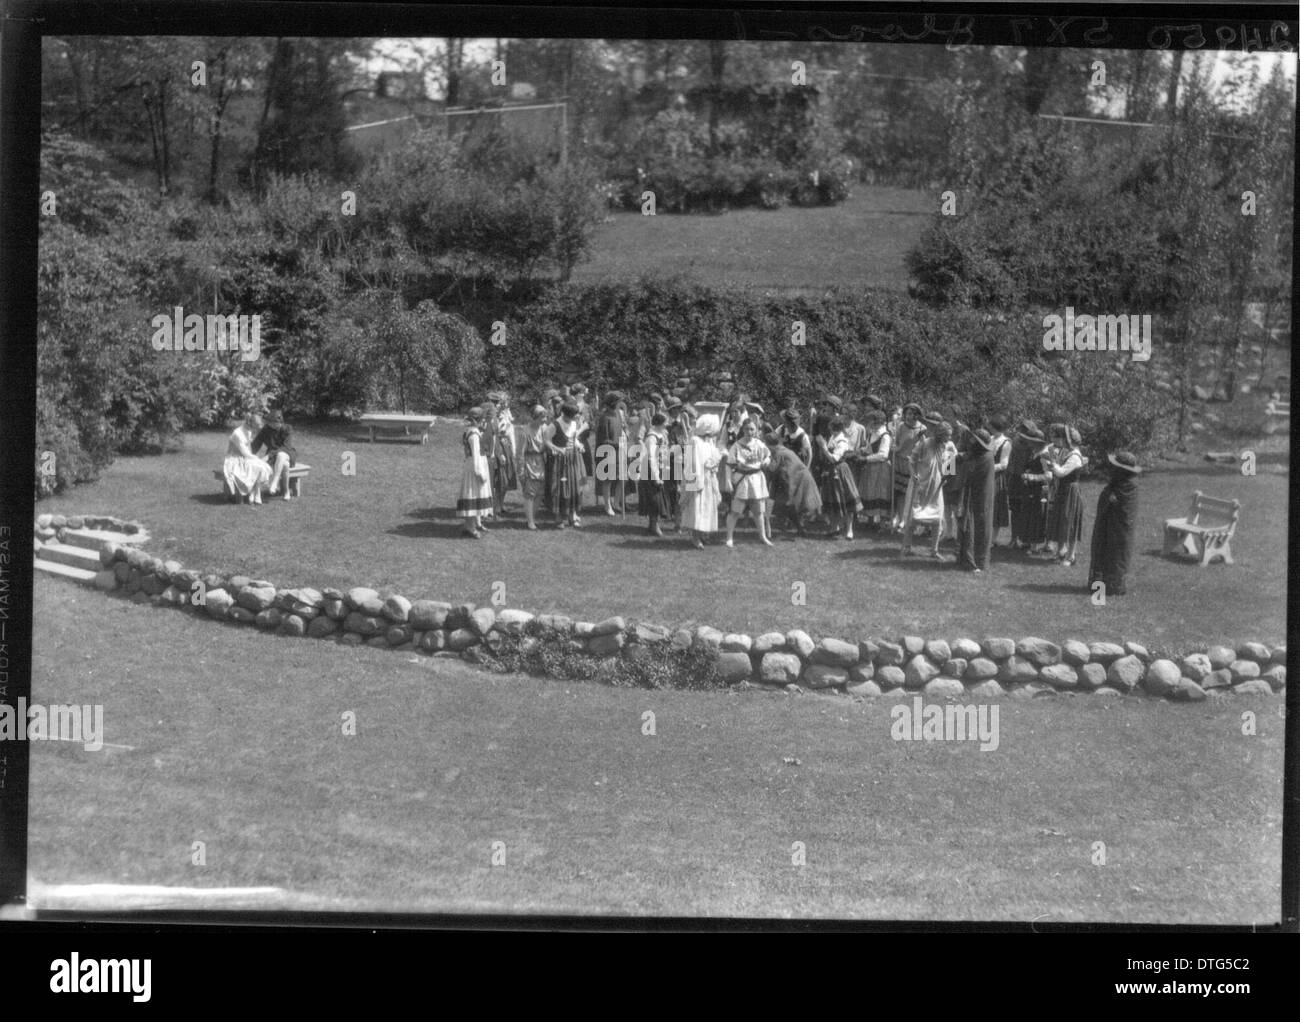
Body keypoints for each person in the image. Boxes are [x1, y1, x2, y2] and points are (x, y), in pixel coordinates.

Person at [1031, 423, 1086, 565]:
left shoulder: (1074, 456)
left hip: (1071, 490)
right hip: (1064, 489)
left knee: (1070, 522)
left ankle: (1070, 556)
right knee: (1062, 520)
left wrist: (1052, 462)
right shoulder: (1069, 453)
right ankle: (1060, 552)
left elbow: (1061, 473)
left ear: (1069, 440)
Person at [1088, 451, 1141, 596]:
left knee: (1117, 552)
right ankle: (1101, 583)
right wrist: (1108, 496)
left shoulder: (1130, 484)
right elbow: (1109, 495)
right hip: (1109, 523)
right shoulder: (1119, 479)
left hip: (1120, 526)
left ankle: (1113, 585)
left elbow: (1124, 504)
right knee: (1104, 549)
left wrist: (1111, 498)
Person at [902, 414, 948, 558]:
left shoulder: (949, 447)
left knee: (937, 517)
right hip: (920, 484)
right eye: (945, 437)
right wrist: (912, 474)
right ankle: (907, 547)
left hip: (936, 486)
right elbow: (911, 460)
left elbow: (950, 468)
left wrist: (946, 477)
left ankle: (934, 550)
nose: (947, 439)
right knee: (913, 516)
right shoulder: (924, 443)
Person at [763, 430, 822, 537]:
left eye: (765, 444)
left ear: (769, 444)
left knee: (791, 505)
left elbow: (772, 469)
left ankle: (800, 528)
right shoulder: (782, 449)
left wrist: (763, 462)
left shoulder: (778, 452)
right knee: (789, 505)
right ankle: (799, 528)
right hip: (798, 478)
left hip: (798, 480)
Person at [724, 418, 773, 547]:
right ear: (742, 430)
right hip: (742, 479)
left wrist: (767, 460)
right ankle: (729, 538)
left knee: (758, 511)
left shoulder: (759, 444)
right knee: (735, 510)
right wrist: (728, 481)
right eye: (746, 429)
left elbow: (768, 455)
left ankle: (762, 537)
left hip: (756, 478)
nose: (749, 432)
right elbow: (729, 465)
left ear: (756, 430)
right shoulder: (737, 445)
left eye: (752, 429)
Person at [956, 428, 997, 572]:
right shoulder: (979, 455)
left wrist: (958, 459)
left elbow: (968, 472)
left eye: (974, 440)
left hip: (977, 497)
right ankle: (966, 559)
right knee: (973, 525)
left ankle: (973, 561)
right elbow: (950, 466)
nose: (971, 442)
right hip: (976, 496)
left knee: (974, 526)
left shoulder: (985, 457)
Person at [681, 413, 724, 549]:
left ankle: (703, 533)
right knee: (697, 507)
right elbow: (692, 461)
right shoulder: (694, 440)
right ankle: (695, 536)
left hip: (709, 478)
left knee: (707, 506)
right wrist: (696, 480)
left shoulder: (709, 441)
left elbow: (713, 457)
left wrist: (715, 462)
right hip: (699, 478)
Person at [817, 415, 863, 540]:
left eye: (832, 429)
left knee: (847, 500)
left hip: (840, 471)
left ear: (836, 429)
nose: (830, 431)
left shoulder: (842, 441)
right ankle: (834, 528)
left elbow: (834, 458)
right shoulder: (833, 437)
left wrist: (823, 447)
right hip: (831, 472)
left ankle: (849, 530)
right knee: (833, 500)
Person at [1008, 421, 1048, 550]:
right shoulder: (1015, 442)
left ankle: (1030, 540)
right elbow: (1012, 462)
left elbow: (1045, 471)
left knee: (1032, 512)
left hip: (1032, 484)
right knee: (1017, 509)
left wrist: (1029, 475)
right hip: (1017, 479)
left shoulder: (1037, 450)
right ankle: (1017, 538)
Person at [547, 401, 587, 529]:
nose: (572, 418)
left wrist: (579, 446)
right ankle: (558, 517)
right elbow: (546, 441)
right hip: (559, 461)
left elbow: (573, 439)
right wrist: (558, 449)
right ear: (564, 413)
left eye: (573, 416)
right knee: (560, 488)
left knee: (574, 486)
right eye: (570, 416)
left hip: (572, 459)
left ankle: (572, 515)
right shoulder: (555, 425)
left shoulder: (574, 424)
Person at [456, 407, 493, 537]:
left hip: (471, 465)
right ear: (478, 420)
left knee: (476, 495)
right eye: (482, 419)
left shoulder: (471, 432)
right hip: (475, 468)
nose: (484, 421)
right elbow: (476, 455)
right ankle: (470, 527)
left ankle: (477, 523)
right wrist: (480, 473)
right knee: (472, 495)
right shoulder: (474, 436)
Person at [223, 411, 273, 506]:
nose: (257, 430)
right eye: (256, 427)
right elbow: (244, 452)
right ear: (251, 424)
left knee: (261, 466)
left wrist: (253, 458)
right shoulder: (237, 434)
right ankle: (253, 494)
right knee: (257, 465)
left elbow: (248, 449)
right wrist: (255, 458)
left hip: (244, 457)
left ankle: (255, 494)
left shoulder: (248, 431)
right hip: (234, 459)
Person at [637, 412, 672, 537]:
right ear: (660, 423)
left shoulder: (661, 435)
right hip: (651, 472)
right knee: (654, 499)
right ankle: (654, 525)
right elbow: (651, 458)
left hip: (659, 469)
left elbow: (663, 452)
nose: (667, 424)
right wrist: (656, 477)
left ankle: (653, 524)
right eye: (665, 422)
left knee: (658, 498)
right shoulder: (651, 438)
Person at [857, 408, 893, 527]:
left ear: (879, 421)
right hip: (871, 468)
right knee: (870, 492)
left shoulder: (885, 435)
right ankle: (870, 520)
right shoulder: (873, 433)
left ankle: (882, 523)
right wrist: (861, 451)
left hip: (881, 469)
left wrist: (866, 459)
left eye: (872, 421)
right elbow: (869, 448)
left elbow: (883, 455)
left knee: (881, 494)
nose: (870, 423)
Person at [892, 403, 925, 531]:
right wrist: (896, 448)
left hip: (912, 465)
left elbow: (922, 447)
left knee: (909, 494)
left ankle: (908, 519)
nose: (909, 416)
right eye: (907, 413)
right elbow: (897, 444)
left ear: (917, 415)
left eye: (912, 414)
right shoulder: (900, 426)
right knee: (900, 493)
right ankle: (900, 518)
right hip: (900, 461)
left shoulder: (922, 428)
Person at [252, 408, 297, 501]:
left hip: (287, 454)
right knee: (285, 465)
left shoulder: (288, 429)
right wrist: (248, 454)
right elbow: (256, 444)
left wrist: (268, 456)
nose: (271, 424)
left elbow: (286, 447)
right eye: (270, 422)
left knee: (281, 455)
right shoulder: (266, 429)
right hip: (274, 458)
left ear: (280, 421)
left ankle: (275, 482)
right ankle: (286, 491)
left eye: (273, 422)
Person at [594, 391, 626, 516]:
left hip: (618, 450)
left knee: (621, 477)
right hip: (607, 452)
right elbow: (604, 439)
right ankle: (607, 506)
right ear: (614, 403)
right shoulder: (604, 418)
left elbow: (621, 429)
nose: (621, 403)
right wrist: (617, 444)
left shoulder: (618, 414)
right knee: (608, 479)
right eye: (619, 401)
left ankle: (616, 503)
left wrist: (624, 436)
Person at [518, 404, 549, 530]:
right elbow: (520, 453)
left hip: (541, 460)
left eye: (545, 417)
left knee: (540, 492)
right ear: (535, 417)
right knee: (530, 492)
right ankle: (530, 521)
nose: (545, 420)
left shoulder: (544, 428)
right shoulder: (526, 431)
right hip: (530, 462)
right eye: (542, 417)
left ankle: (532, 517)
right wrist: (520, 469)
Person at [988, 413, 1012, 545]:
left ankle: (993, 539)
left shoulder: (1006, 442)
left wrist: (989, 467)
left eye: (991, 426)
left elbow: (1004, 464)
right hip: (987, 476)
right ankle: (986, 535)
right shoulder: (990, 439)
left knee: (996, 506)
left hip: (997, 477)